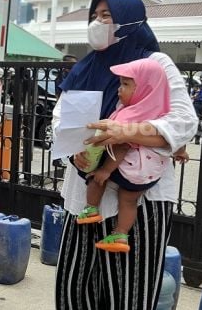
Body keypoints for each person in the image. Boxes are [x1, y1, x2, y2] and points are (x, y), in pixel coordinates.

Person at [53, 0, 198, 309]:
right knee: (75, 287)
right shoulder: (85, 67)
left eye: (107, 15)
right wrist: (74, 151)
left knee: (128, 294)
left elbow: (184, 122)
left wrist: (126, 131)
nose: (98, 22)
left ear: (130, 20)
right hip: (84, 193)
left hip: (138, 196)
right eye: (95, 15)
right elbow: (61, 118)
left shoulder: (154, 64)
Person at [75, 58, 184, 253]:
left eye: (125, 84)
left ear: (145, 88)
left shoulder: (129, 114)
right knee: (128, 200)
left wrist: (106, 170)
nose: (119, 89)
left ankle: (91, 209)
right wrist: (181, 151)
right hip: (151, 173)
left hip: (132, 168)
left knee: (97, 178)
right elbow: (177, 134)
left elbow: (122, 146)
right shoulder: (163, 110)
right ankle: (121, 234)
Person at [192, 75, 202, 145]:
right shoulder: (198, 86)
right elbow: (192, 95)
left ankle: (196, 135)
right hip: (197, 105)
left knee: (201, 122)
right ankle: (196, 136)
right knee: (197, 122)